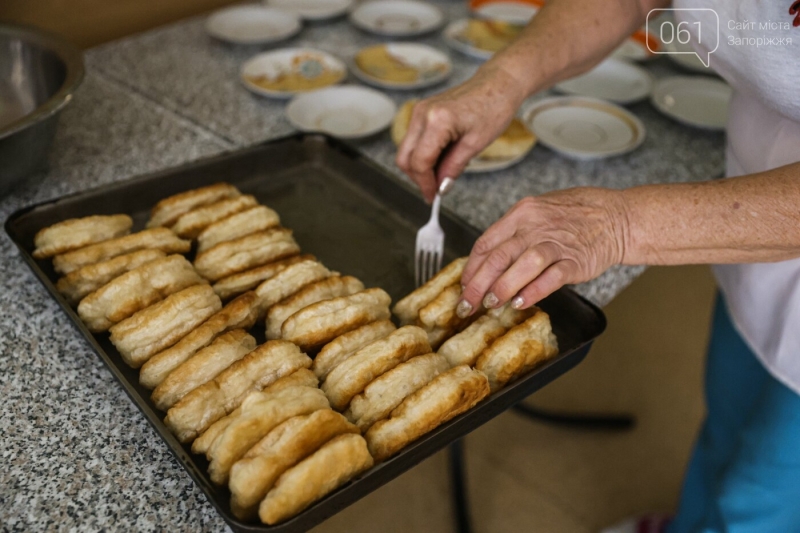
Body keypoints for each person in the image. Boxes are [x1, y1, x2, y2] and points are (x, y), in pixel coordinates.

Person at [396, 1, 800, 531]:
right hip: (751, 214)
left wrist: (622, 225)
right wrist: (504, 78)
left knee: (762, 490)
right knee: (728, 417)